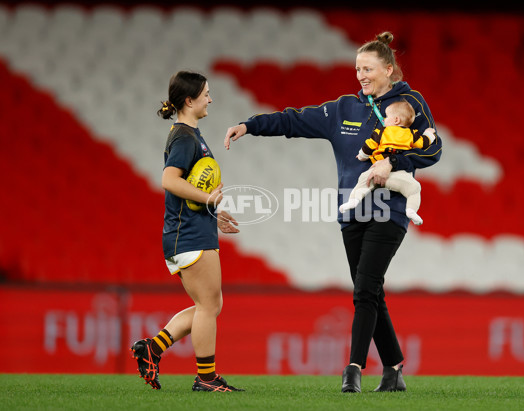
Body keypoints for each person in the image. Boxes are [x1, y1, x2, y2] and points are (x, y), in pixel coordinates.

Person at [225, 31, 442, 393]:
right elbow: (293, 121)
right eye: (357, 69)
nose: (361, 75)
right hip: (352, 211)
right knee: (369, 291)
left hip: (390, 209)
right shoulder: (343, 108)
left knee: (364, 289)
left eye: (368, 68)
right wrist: (250, 126)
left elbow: (433, 151)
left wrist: (395, 162)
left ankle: (353, 369)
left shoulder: (410, 103)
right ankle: (393, 370)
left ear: (389, 69)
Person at [131, 70, 243, 392]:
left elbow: (189, 188)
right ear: (189, 100)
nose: (211, 98)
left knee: (209, 305)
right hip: (188, 235)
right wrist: (209, 199)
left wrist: (212, 211)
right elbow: (169, 180)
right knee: (209, 306)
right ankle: (206, 379)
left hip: (191, 230)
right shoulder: (184, 136)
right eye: (206, 93)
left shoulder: (191, 133)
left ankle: (153, 348)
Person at [339, 99, 437, 226]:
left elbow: (369, 145)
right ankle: (411, 210)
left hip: (376, 170)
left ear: (396, 120)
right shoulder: (412, 134)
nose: (384, 119)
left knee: (363, 181)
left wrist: (362, 156)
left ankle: (353, 200)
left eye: (386, 116)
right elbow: (423, 143)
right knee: (414, 188)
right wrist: (429, 134)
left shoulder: (381, 131)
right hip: (399, 174)